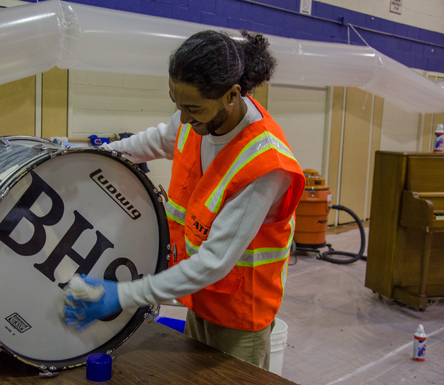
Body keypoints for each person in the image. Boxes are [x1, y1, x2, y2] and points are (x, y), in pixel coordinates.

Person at [64, 29, 305, 369]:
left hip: (239, 317)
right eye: (177, 104)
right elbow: (156, 140)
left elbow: (215, 262)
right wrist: (92, 156)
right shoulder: (195, 117)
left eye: (193, 108)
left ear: (232, 95)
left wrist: (123, 295)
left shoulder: (265, 165)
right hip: (201, 299)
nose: (185, 119)